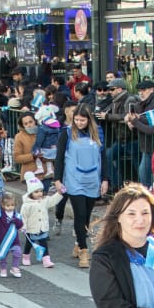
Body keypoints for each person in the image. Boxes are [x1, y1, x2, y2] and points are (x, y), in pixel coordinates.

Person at [54, 104, 108, 269]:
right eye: (76, 119)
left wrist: (105, 179)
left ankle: (79, 242)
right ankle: (84, 250)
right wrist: (57, 179)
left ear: (89, 119)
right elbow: (59, 157)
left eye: (82, 120)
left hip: (92, 179)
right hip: (74, 179)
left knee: (87, 215)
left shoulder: (98, 132)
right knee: (80, 213)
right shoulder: (66, 133)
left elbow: (103, 156)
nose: (79, 123)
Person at [21, 172, 62, 268]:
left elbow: (52, 201)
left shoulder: (44, 200)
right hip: (31, 228)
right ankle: (26, 256)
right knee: (29, 243)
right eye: (36, 192)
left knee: (43, 243)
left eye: (41, 191)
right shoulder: (27, 205)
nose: (39, 193)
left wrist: (59, 194)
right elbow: (23, 216)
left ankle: (46, 260)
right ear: (30, 193)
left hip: (42, 227)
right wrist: (23, 226)